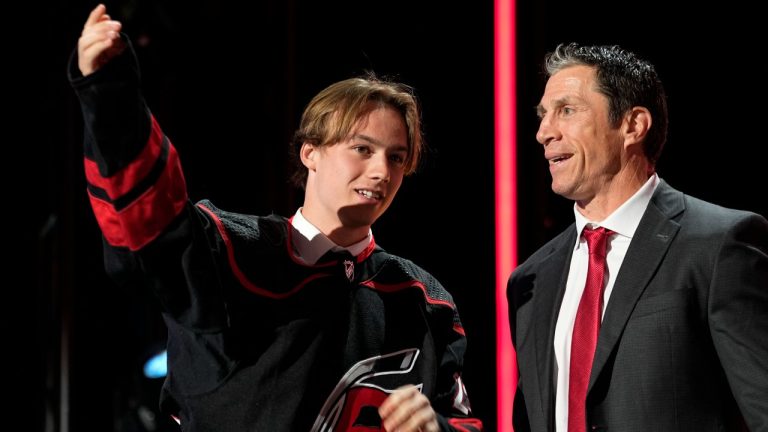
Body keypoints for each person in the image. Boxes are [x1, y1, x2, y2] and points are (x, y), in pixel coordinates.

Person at [70, 4, 483, 432]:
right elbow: (147, 218)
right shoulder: (229, 253)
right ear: (310, 152)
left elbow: (462, 421)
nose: (381, 171)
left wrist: (436, 427)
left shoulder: (424, 301)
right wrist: (108, 93)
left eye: (396, 158)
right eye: (362, 149)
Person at [507, 42, 768, 432]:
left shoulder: (718, 245)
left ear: (633, 125)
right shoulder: (530, 280)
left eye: (567, 110)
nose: (544, 132)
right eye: (544, 116)